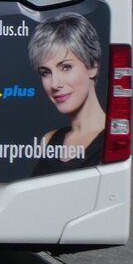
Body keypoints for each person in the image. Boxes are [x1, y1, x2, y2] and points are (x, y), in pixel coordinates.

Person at [28, 13, 106, 176]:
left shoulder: (111, 141)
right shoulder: (49, 141)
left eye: (66, 67)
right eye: (45, 72)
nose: (55, 84)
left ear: (93, 67)